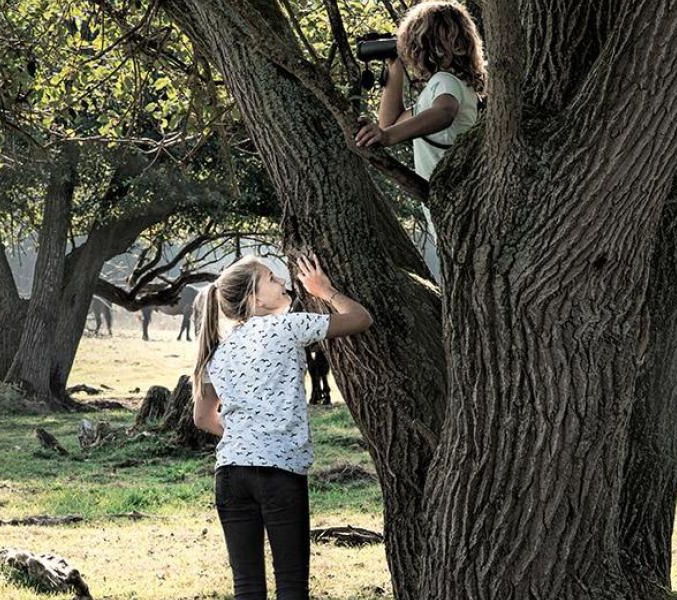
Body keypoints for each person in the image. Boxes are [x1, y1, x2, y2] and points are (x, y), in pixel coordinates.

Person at [192, 253, 374, 599]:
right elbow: (360, 319)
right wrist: (325, 290)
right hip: (279, 473)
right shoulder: (288, 327)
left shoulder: (218, 351)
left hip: (230, 475)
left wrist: (247, 438)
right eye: (272, 279)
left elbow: (202, 418)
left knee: (247, 588)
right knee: (291, 586)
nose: (282, 282)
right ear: (255, 299)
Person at [354, 1, 485, 280]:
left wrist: (387, 137)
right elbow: (389, 121)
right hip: (454, 207)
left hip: (456, 206)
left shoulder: (445, 82)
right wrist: (395, 67)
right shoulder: (451, 86)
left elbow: (443, 113)